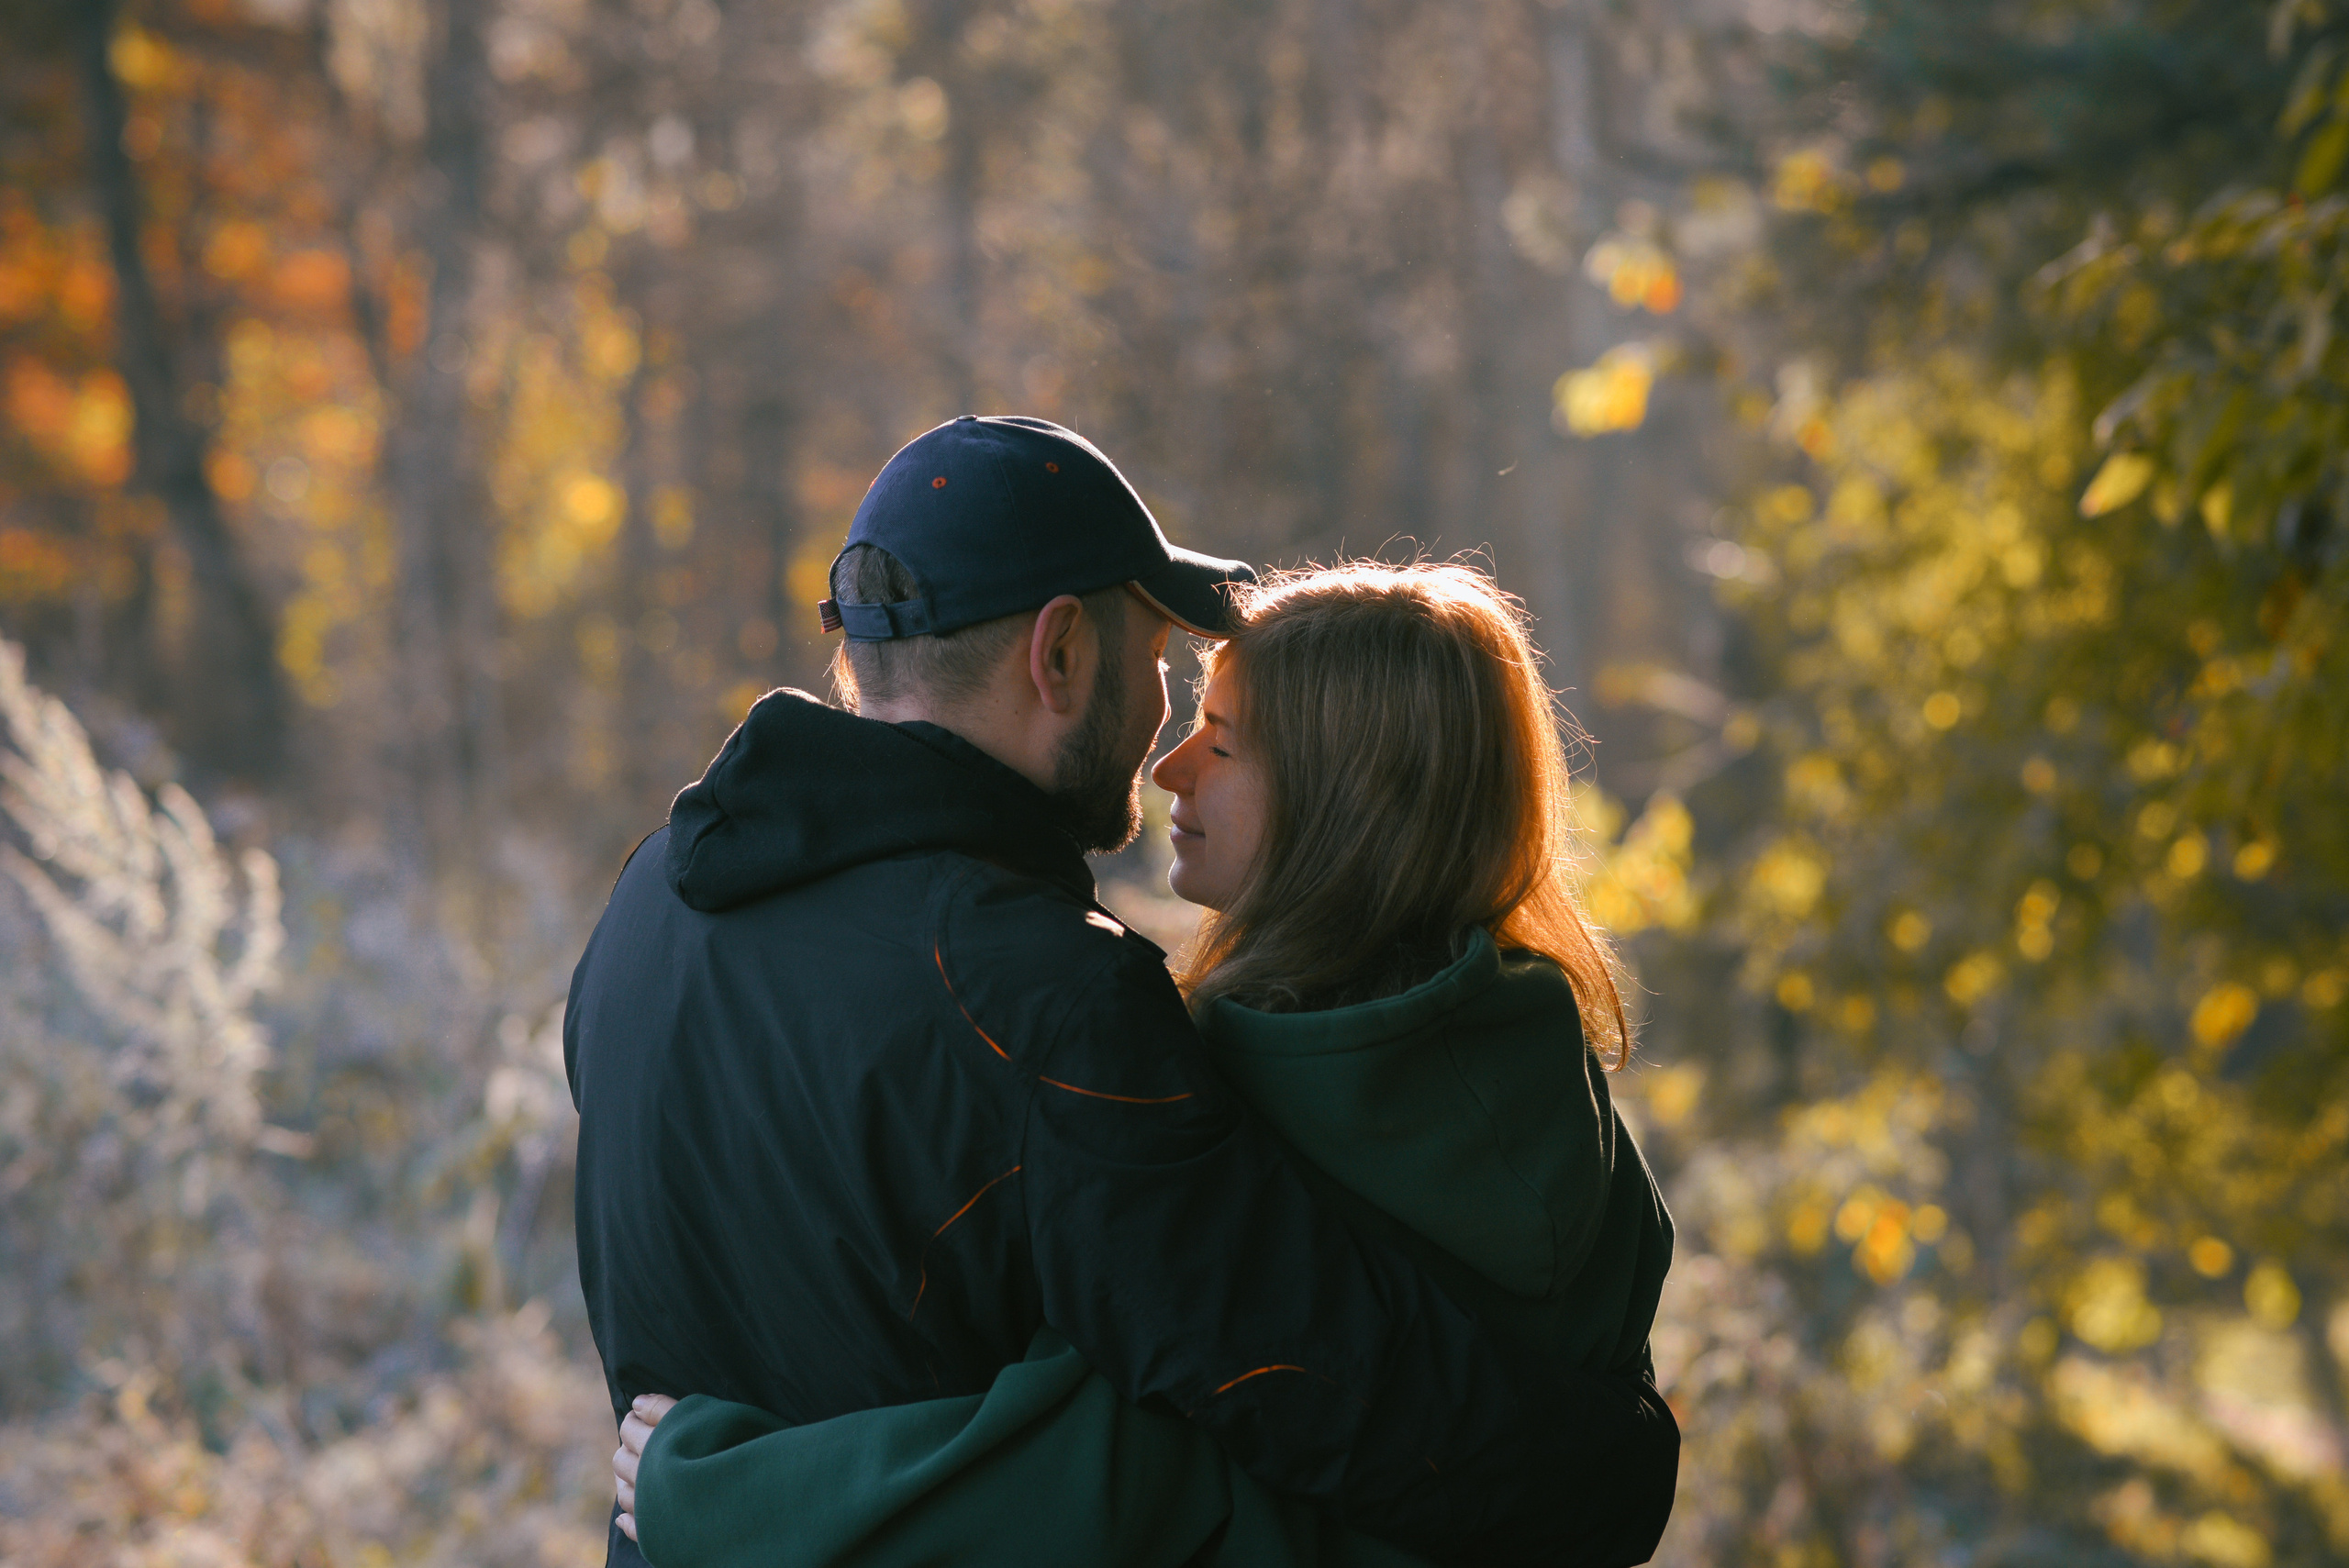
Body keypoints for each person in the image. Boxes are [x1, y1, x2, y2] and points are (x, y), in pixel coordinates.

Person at [565, 416, 1678, 1568]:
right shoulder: (1046, 995)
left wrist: (706, 1492)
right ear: (1058, 655)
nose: (1162, 742)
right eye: (1155, 661)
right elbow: (1302, 1389)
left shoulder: (652, 897)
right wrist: (1621, 1466)